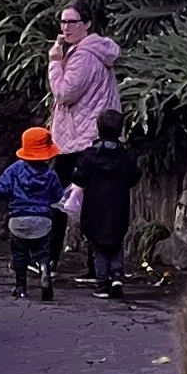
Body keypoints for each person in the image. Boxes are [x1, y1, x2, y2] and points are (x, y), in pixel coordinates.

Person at [57, 108, 137, 297]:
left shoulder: (90, 155)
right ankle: (117, 275)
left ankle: (102, 283)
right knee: (116, 241)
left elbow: (80, 177)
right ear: (120, 130)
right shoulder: (126, 156)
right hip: (119, 204)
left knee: (98, 244)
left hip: (94, 206)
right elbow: (134, 177)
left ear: (98, 129)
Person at [0, 127, 69, 299]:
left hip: (18, 219)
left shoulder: (14, 170)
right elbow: (58, 196)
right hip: (43, 220)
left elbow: (0, 190)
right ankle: (45, 269)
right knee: (43, 251)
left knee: (20, 255)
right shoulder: (50, 174)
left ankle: (20, 287)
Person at [46, 1, 121, 155]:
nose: (66, 28)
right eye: (63, 22)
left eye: (72, 22)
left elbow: (64, 94)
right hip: (92, 135)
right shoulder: (91, 50)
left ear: (87, 24)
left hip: (81, 140)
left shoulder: (83, 55)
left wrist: (54, 61)